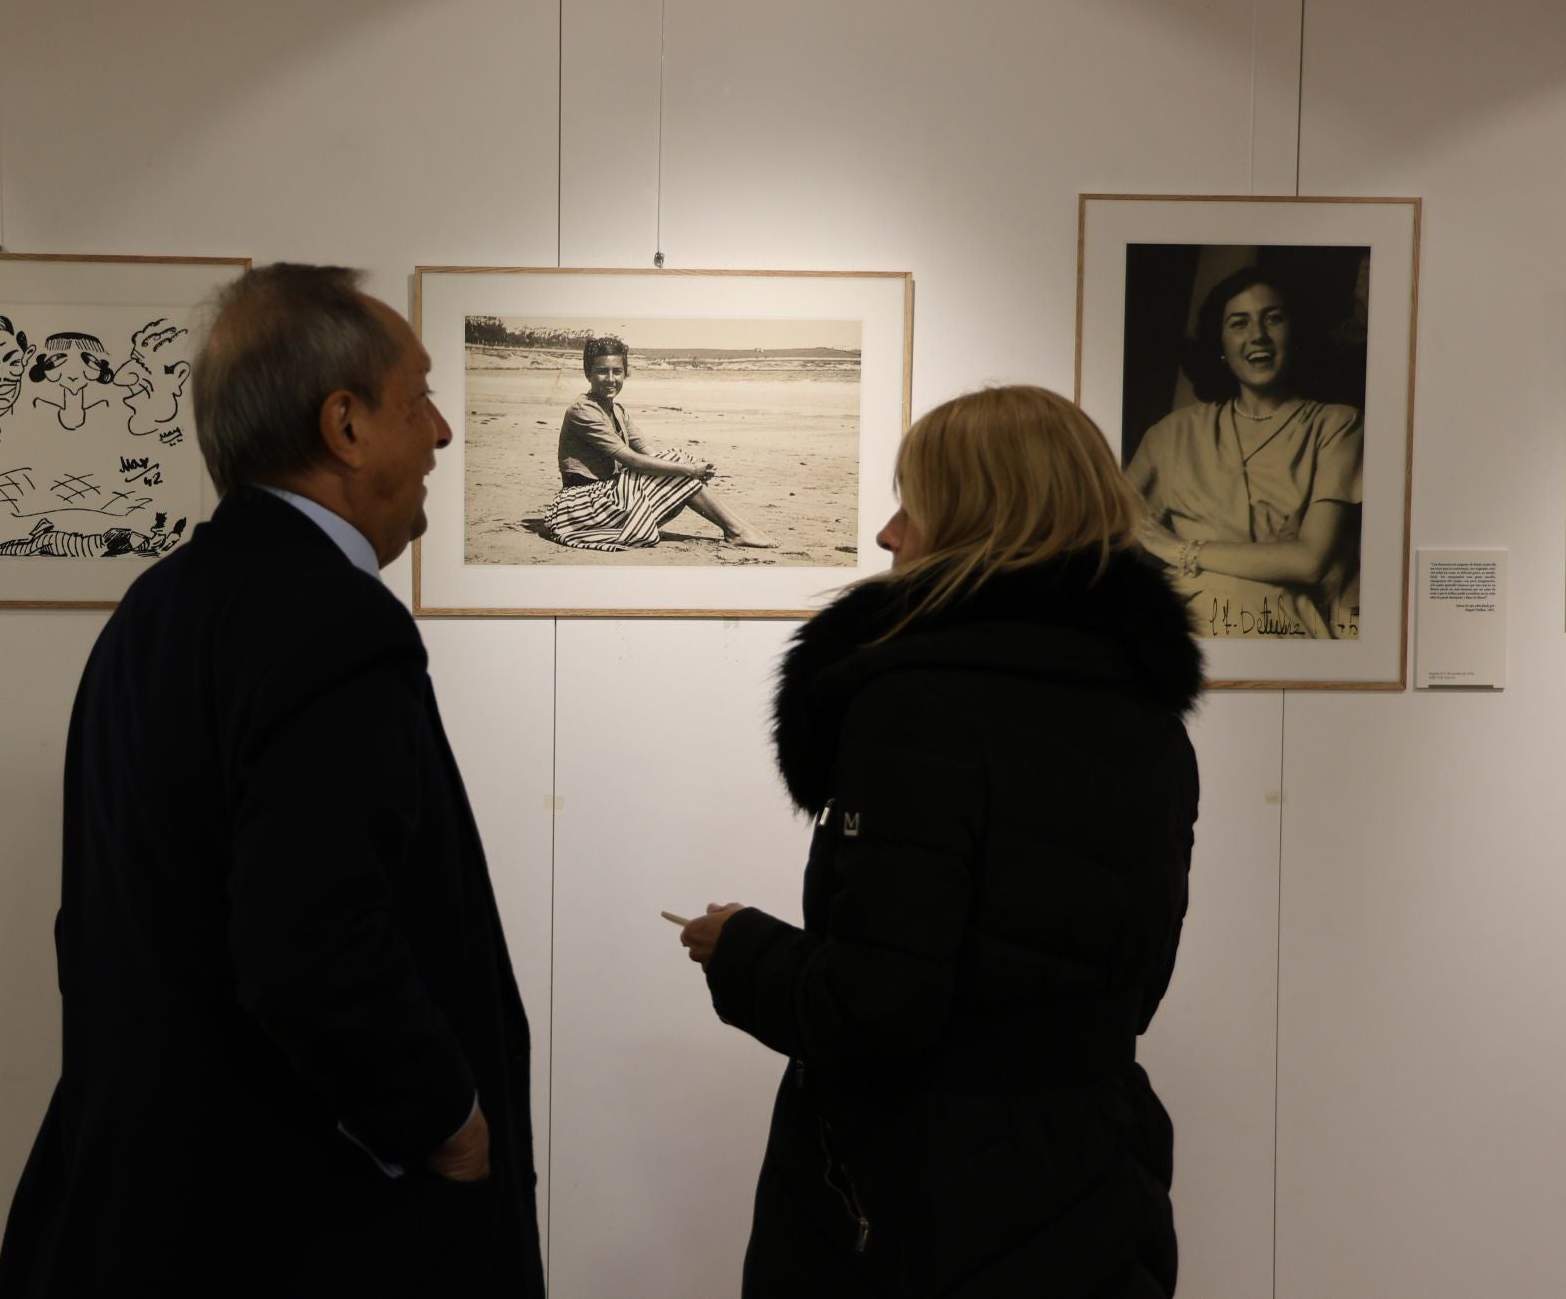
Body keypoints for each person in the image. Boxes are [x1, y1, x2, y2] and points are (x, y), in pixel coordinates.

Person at [0, 264, 543, 1296]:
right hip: (301, 1228)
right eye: (418, 396)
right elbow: (312, 941)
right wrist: (451, 1123)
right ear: (344, 424)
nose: (442, 434)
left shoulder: (153, 610)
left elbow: (103, 933)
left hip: (155, 1217)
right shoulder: (329, 619)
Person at [678, 385, 1202, 1298]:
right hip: (1094, 1183)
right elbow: (1133, 985)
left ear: (978, 515)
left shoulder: (915, 706)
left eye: (912, 501)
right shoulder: (1146, 716)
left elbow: (877, 1006)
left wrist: (740, 948)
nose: (887, 533)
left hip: (923, 1195)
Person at [1126, 265, 1363, 639]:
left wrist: (1180, 550)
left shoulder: (1337, 425)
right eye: (1239, 323)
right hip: (1179, 634)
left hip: (1280, 631)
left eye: (1274, 319)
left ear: (1296, 333)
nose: (1258, 336)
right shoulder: (1173, 432)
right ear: (1219, 345)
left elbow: (1310, 561)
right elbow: (1109, 529)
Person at [542, 335, 773, 551]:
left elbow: (651, 454)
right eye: (602, 371)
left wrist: (689, 468)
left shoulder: (618, 410)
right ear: (588, 373)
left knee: (676, 459)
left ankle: (738, 528)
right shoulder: (583, 410)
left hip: (607, 498)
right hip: (581, 507)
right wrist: (690, 470)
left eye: (617, 372)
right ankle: (736, 530)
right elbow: (634, 461)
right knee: (680, 465)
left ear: (625, 374)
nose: (611, 379)